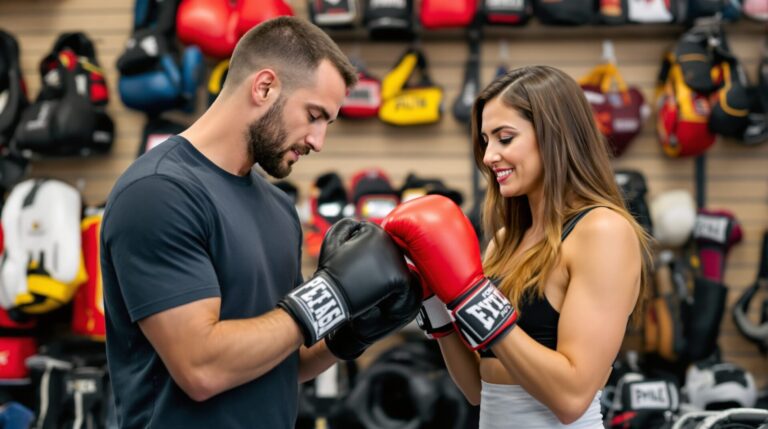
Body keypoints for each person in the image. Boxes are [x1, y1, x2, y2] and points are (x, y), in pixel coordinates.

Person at [101, 17, 420, 429]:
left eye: (328, 123)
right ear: (264, 87)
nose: (318, 141)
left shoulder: (278, 208)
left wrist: (350, 334)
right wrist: (329, 295)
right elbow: (202, 369)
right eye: (314, 115)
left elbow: (283, 361)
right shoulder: (158, 193)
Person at [383, 65, 652, 428]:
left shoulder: (603, 231)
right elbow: (479, 387)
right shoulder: (503, 243)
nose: (489, 156)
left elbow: (571, 397)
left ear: (555, 136)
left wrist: (474, 302)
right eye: (485, 141)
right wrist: (435, 305)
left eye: (505, 138)